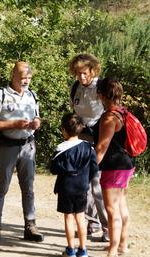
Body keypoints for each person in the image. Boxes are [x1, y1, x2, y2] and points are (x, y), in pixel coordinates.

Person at [0, 61, 43, 244]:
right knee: (1, 187)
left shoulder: (32, 95)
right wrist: (14, 124)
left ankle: (30, 226)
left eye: (29, 78)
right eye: (23, 77)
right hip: (7, 147)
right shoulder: (0, 95)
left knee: (29, 188)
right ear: (13, 76)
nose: (26, 81)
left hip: (28, 147)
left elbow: (37, 117)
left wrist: (36, 123)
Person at [69, 53, 109, 242]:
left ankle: (108, 228)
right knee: (84, 185)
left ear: (93, 70)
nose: (81, 77)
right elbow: (75, 114)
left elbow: (112, 114)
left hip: (101, 140)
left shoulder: (101, 87)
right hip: (82, 139)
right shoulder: (76, 87)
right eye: (78, 73)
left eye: (84, 73)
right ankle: (92, 224)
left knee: (97, 185)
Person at [93, 78, 134, 257]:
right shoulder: (123, 112)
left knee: (111, 209)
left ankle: (112, 250)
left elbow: (102, 147)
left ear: (101, 95)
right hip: (126, 164)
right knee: (121, 206)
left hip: (114, 167)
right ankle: (122, 245)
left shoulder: (109, 116)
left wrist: (89, 167)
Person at [50, 113, 98, 257]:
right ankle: (83, 250)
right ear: (81, 128)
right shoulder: (89, 147)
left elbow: (53, 169)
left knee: (69, 218)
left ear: (63, 130)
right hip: (82, 188)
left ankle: (70, 250)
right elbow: (94, 168)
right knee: (81, 217)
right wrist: (85, 180)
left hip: (66, 188)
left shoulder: (61, 149)